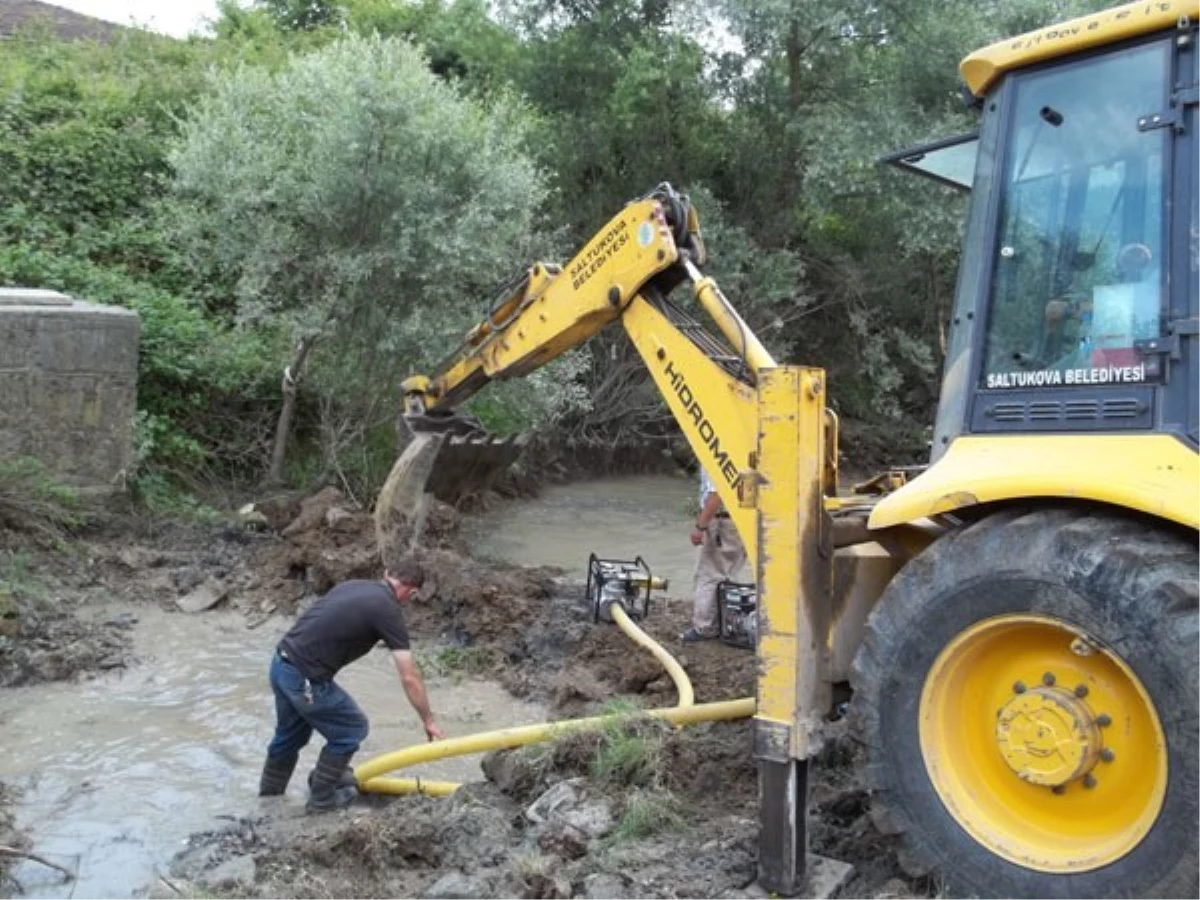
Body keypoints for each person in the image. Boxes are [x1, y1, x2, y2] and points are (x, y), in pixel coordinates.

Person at [258, 558, 445, 812]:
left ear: (386, 574)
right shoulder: (388, 610)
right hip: (304, 677)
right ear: (411, 592)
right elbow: (410, 676)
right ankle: (321, 802)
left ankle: (268, 802)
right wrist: (428, 720)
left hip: (281, 663)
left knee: (290, 736)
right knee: (351, 729)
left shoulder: (353, 586)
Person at [681, 466, 747, 642]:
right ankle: (725, 623)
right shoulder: (738, 449)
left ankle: (706, 628)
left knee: (709, 575)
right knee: (728, 574)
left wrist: (700, 526)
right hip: (738, 519)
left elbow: (717, 494)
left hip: (722, 522)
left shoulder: (717, 456)